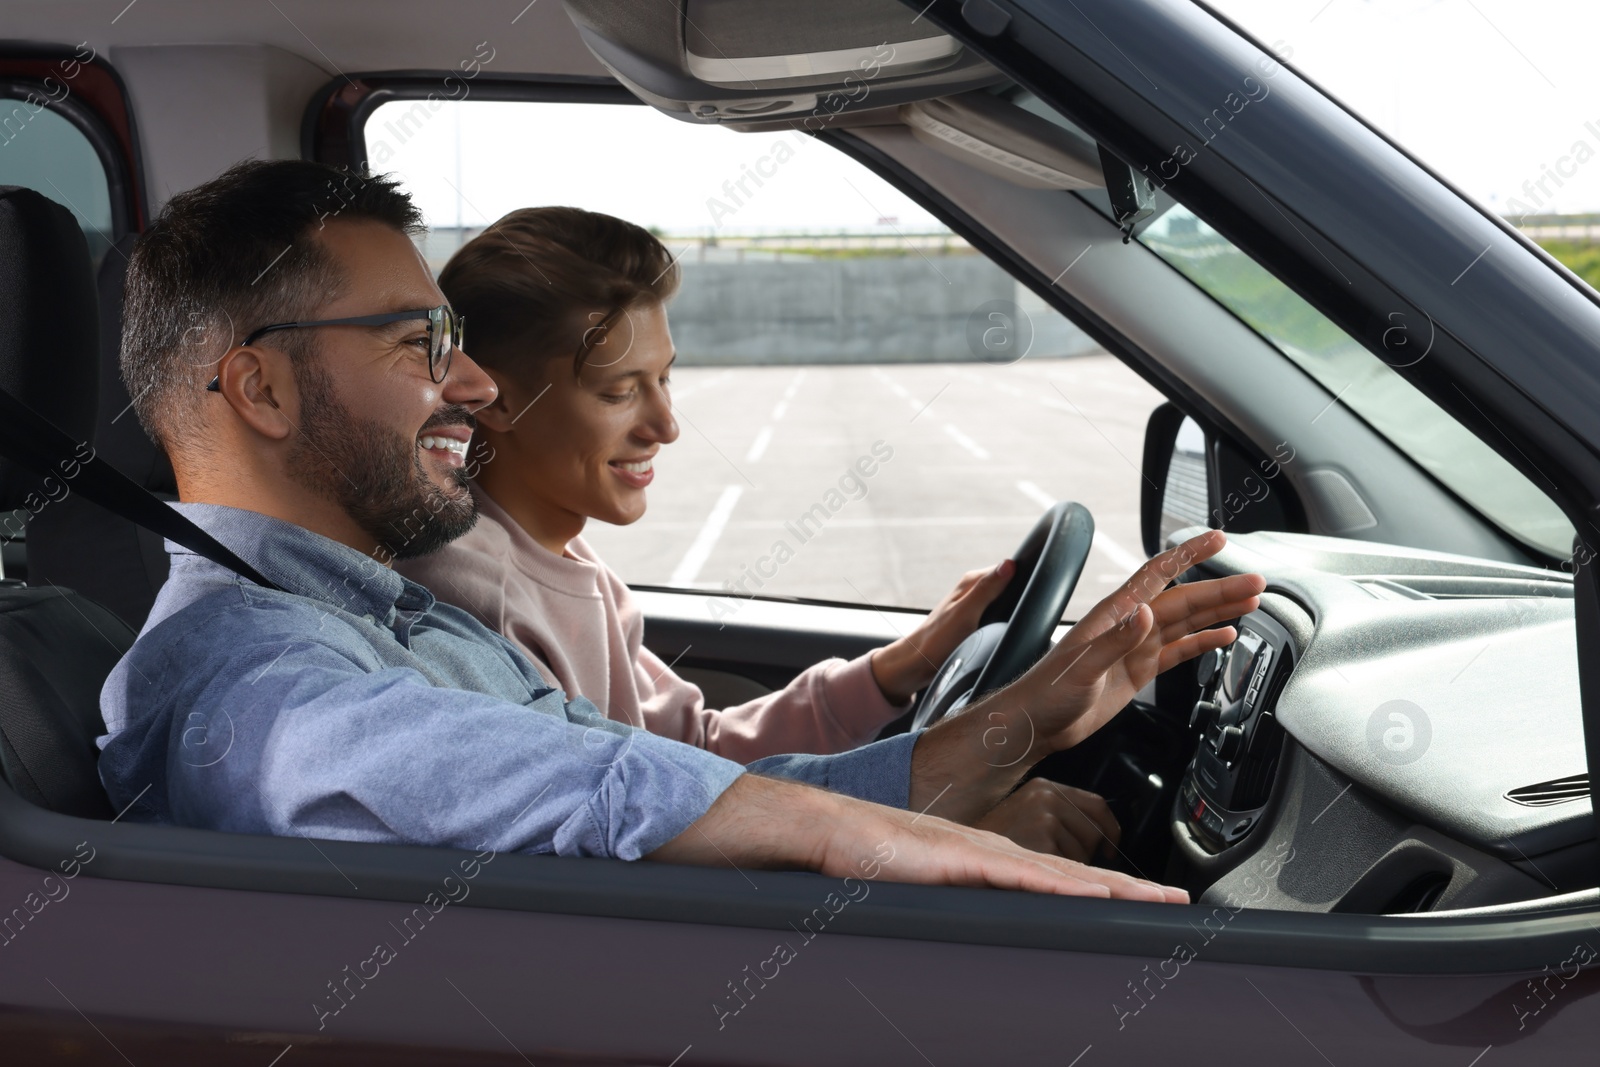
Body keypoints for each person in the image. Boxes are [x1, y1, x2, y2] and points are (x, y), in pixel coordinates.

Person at [98, 159, 1263, 902]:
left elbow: (676, 770)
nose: (471, 389)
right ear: (258, 390)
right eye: (418, 347)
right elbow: (587, 781)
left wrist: (1019, 720)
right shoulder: (248, 672)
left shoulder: (373, 607)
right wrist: (909, 832)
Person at [399, 207, 1118, 858]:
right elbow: (634, 848)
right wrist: (951, 840)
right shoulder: (483, 606)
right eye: (621, 391)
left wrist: (905, 663)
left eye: (665, 379)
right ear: (489, 396)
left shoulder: (558, 558)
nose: (666, 425)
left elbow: (696, 754)